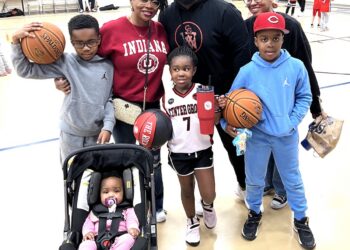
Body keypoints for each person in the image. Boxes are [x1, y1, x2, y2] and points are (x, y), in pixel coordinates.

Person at [56, 0, 170, 223]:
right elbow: (85, 61)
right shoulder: (111, 29)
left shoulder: (159, 29)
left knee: (154, 160)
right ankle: (131, 209)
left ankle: (156, 204)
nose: (149, 5)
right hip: (123, 108)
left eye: (154, 1)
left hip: (152, 107)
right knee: (127, 160)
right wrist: (61, 79)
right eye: (142, 0)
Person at [218, 12, 316, 250]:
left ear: (283, 39)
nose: (270, 44)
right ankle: (253, 212)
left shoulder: (296, 67)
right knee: (254, 180)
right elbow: (231, 103)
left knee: (292, 180)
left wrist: (291, 121)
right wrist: (224, 123)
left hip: (286, 136)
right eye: (264, 39)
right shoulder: (247, 71)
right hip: (256, 137)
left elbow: (305, 96)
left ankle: (301, 219)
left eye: (275, 38)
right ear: (256, 41)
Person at [159, 0, 251, 204]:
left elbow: (243, 56)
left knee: (237, 146)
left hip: (226, 97)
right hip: (188, 98)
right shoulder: (167, 16)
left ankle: (245, 185)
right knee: (192, 151)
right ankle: (200, 201)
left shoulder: (224, 11)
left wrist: (234, 96)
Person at [244, 0, 325, 210]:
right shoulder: (245, 26)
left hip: (284, 105)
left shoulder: (292, 27)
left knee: (282, 146)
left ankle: (281, 189)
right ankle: (267, 184)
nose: (252, 2)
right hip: (258, 106)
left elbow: (305, 66)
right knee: (263, 146)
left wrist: (315, 107)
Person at [11, 15, 115, 163]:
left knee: (95, 179)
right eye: (79, 43)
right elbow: (25, 70)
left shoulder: (108, 66)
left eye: (91, 42)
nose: (86, 48)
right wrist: (15, 41)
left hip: (97, 135)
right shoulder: (65, 62)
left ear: (99, 39)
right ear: (71, 42)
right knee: (72, 177)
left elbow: (109, 100)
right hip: (70, 135)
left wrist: (108, 127)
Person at [162, 46, 217, 246]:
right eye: (176, 69)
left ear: (194, 70)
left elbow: (215, 121)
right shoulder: (164, 98)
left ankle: (208, 206)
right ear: (170, 72)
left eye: (186, 68)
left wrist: (216, 108)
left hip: (202, 149)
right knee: (186, 189)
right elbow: (162, 129)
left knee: (209, 192)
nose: (181, 73)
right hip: (178, 152)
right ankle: (192, 221)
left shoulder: (203, 91)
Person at [79, 172, 139, 250]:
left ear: (123, 192)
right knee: (86, 244)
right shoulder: (95, 211)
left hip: (120, 237)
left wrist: (132, 228)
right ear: (99, 194)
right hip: (97, 240)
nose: (111, 195)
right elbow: (88, 223)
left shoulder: (127, 209)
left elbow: (132, 220)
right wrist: (88, 232)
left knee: (128, 239)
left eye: (116, 191)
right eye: (106, 192)